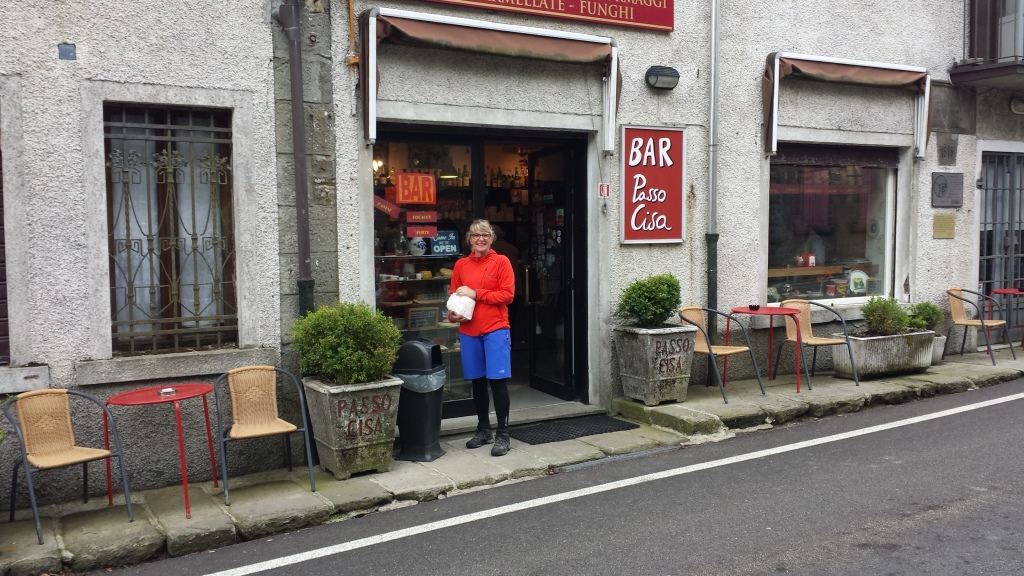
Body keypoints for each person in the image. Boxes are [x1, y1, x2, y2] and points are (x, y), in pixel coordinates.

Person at [447, 219, 516, 456]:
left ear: (492, 238)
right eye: (476, 235)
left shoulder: (501, 262)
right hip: (469, 331)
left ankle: (503, 434)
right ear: (469, 239)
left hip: (496, 329)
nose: (481, 239)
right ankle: (484, 429)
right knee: (477, 382)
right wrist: (452, 315)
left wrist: (476, 293)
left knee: (498, 382)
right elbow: (454, 296)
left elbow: (507, 295)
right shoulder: (461, 265)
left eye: (485, 235)